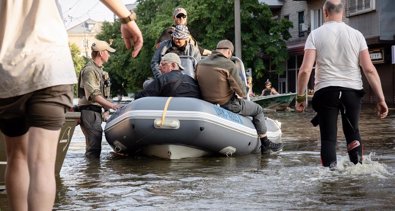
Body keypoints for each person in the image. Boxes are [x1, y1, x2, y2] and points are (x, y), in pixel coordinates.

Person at [0, 1, 143, 210]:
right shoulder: (90, 70)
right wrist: (126, 18)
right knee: (42, 164)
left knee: (17, 157)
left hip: (8, 70)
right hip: (50, 67)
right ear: (101, 53)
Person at [295, 0, 388, 169]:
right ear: (343, 12)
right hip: (352, 92)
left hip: (326, 92)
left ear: (325, 13)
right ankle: (357, 173)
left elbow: (304, 71)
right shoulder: (357, 35)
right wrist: (381, 99)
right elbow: (369, 70)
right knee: (353, 133)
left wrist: (301, 97)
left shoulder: (315, 35)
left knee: (328, 139)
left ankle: (329, 180)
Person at [195, 40, 283, 154]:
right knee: (258, 109)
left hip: (206, 105)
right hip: (227, 104)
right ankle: (265, 143)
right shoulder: (228, 64)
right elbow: (241, 92)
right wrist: (244, 89)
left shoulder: (200, 63)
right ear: (228, 52)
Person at [78, 40, 122, 158]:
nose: (109, 55)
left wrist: (106, 110)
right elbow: (94, 94)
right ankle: (92, 174)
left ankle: (93, 172)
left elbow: (102, 94)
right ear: (101, 53)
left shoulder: (100, 70)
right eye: (108, 52)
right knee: (94, 147)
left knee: (95, 145)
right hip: (89, 111)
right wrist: (112, 106)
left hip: (95, 112)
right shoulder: (89, 70)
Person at [135, 53, 200, 99]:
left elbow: (142, 97)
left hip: (169, 115)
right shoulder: (192, 81)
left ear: (174, 65)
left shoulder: (164, 79)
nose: (160, 68)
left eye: (163, 65)